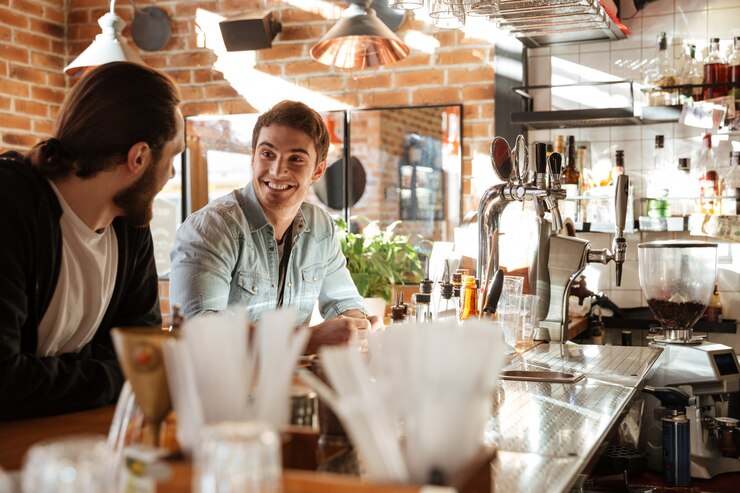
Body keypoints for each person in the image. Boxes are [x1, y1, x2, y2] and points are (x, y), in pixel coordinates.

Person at [0, 62, 184, 420]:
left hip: (67, 438)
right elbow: (4, 381)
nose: (172, 172)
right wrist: (116, 373)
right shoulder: (10, 204)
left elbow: (142, 348)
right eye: (173, 156)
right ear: (139, 157)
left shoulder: (129, 222)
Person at [170, 101, 378, 352]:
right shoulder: (211, 227)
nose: (278, 170)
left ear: (318, 171)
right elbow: (201, 330)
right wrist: (307, 340)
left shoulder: (321, 227)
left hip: (287, 386)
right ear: (253, 157)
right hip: (213, 388)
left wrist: (358, 327)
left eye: (296, 159)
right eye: (268, 154)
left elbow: (345, 302)